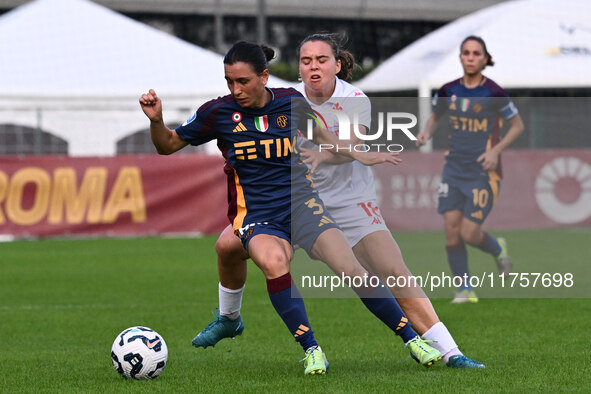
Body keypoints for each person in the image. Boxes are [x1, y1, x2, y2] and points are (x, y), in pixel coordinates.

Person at [140, 41, 441, 375]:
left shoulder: (290, 102)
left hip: (303, 205)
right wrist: (157, 120)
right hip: (258, 214)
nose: (235, 89)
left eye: (243, 81)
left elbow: (325, 137)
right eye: (229, 81)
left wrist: (360, 153)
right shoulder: (218, 112)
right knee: (273, 263)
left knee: (351, 270)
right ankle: (311, 349)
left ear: (264, 77)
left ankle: (413, 340)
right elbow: (167, 145)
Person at [194, 34, 485, 369]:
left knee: (392, 270)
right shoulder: (281, 97)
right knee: (226, 247)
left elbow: (352, 145)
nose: (313, 66)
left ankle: (450, 353)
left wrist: (322, 154)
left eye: (321, 59)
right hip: (291, 203)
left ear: (337, 64)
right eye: (305, 61)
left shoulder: (354, 99)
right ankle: (229, 319)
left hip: (347, 201)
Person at [416, 35, 524, 303]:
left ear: (485, 59)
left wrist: (495, 151)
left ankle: (498, 248)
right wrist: (426, 132)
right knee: (451, 231)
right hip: (452, 169)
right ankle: (465, 289)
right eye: (466, 53)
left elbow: (518, 126)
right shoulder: (448, 90)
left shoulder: (494, 92)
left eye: (477, 53)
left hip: (483, 171)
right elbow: (434, 118)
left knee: (468, 233)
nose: (471, 57)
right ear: (461, 57)